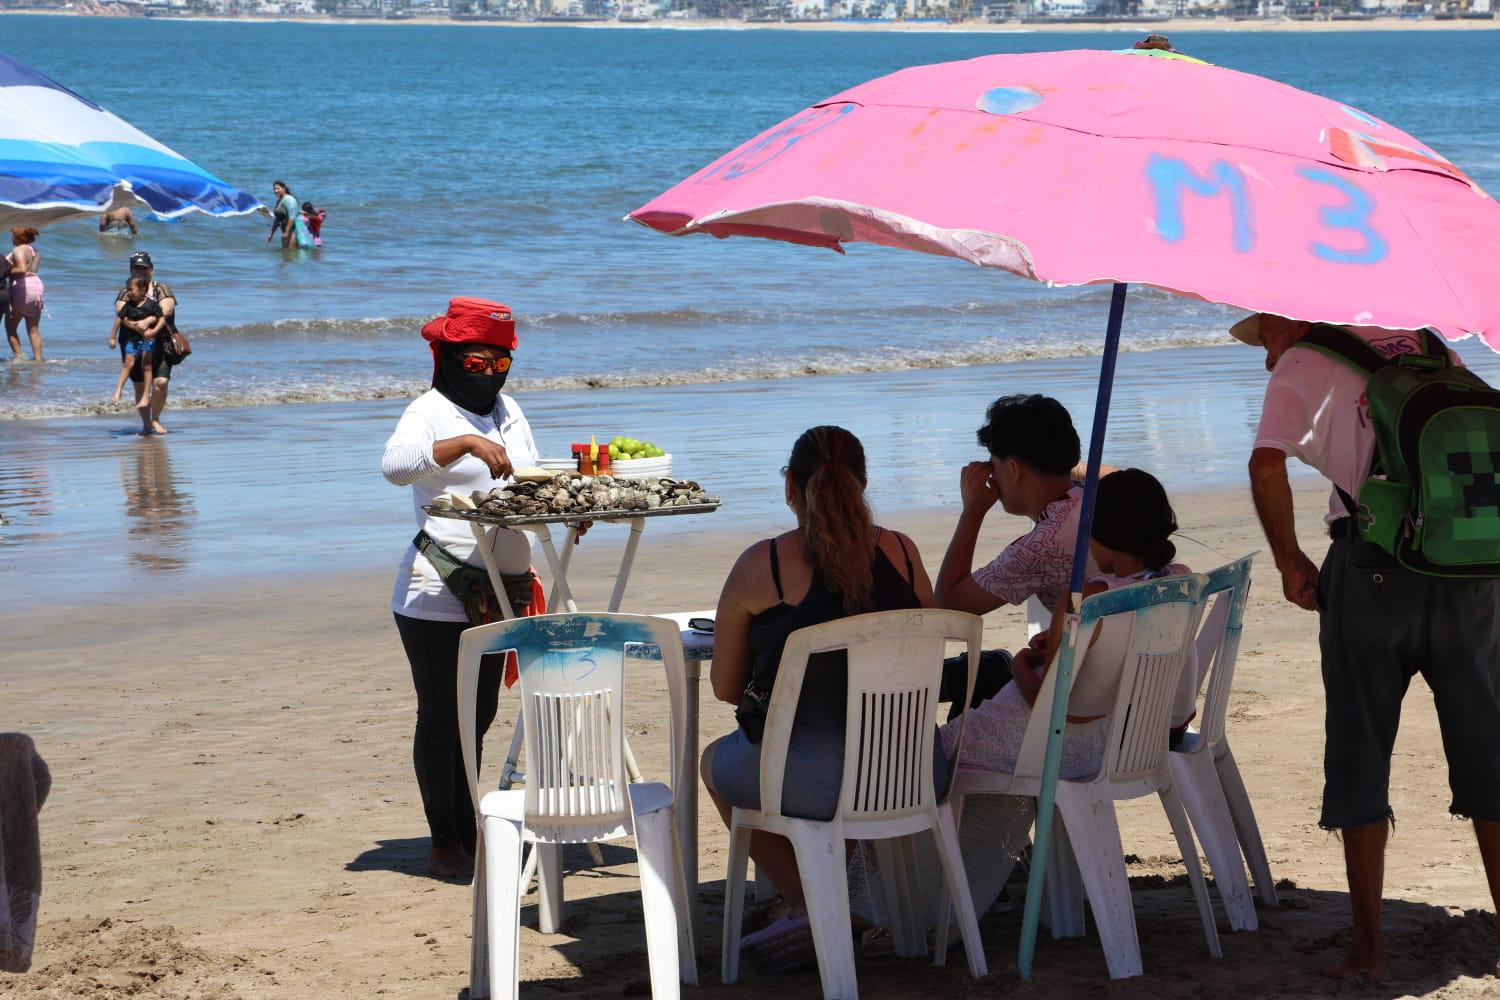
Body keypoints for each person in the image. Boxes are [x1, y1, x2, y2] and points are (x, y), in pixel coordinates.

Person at [1241, 311, 1500, 980]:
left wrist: (1288, 559)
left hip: (1374, 573)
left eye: (1262, 335)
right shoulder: (1430, 348)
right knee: (1487, 751)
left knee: (1360, 751)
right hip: (1468, 574)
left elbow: (1266, 467)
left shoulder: (1300, 362)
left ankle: (1369, 951)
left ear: (1282, 319)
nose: (1263, 351)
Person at [848, 468, 1193, 934]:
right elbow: (1100, 662)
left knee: (917, 759)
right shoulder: (1178, 581)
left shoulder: (1092, 598)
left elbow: (1045, 699)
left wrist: (1018, 667)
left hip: (1049, 740)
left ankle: (893, 902)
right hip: (1107, 737)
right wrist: (1049, 655)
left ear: (1097, 534)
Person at [699, 425, 939, 970]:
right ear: (864, 484)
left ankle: (816, 904)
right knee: (831, 773)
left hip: (812, 775)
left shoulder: (766, 564)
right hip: (912, 767)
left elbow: (726, 688)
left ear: (790, 486)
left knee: (715, 764)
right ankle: (824, 903)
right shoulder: (901, 551)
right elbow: (926, 647)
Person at [382, 297, 542, 880]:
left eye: (500, 362)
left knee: (479, 713)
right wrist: (465, 445)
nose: (491, 373)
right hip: (436, 585)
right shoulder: (429, 410)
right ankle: (444, 840)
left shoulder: (510, 410)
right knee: (442, 715)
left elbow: (527, 477)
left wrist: (561, 509)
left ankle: (471, 826)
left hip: (505, 587)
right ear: (451, 358)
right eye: (477, 362)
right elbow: (395, 466)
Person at [114, 251, 178, 435]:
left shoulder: (161, 289)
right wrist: (138, 328)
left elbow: (166, 309)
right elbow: (120, 312)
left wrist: (150, 322)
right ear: (131, 270)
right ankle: (146, 424)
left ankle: (156, 418)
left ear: (151, 269)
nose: (140, 271)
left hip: (162, 343)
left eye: (144, 268)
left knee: (161, 382)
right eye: (136, 268)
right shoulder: (128, 290)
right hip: (133, 343)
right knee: (140, 386)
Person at [109, 276, 167, 434]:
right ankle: (118, 390)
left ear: (142, 290)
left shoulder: (151, 304)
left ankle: (145, 397)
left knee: (146, 366)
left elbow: (161, 319)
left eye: (131, 290)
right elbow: (118, 320)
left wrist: (153, 331)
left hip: (148, 340)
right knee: (128, 364)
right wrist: (112, 337)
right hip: (132, 340)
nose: (128, 292)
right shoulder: (128, 305)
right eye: (127, 289)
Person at [5, 227, 44, 363]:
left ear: (18, 238)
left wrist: (6, 270)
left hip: (21, 287)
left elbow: (21, 269)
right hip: (36, 286)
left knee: (10, 329)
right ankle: (38, 361)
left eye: (13, 236)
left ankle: (20, 358)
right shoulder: (35, 251)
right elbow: (32, 269)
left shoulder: (19, 249)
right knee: (33, 331)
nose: (11, 238)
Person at [266, 180, 302, 249]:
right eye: (274, 189)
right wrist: (271, 233)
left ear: (284, 188)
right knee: (286, 256)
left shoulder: (289, 199)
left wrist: (287, 232)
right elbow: (277, 219)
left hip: (292, 232)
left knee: (290, 255)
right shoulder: (279, 201)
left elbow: (292, 216)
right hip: (286, 233)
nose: (275, 191)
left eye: (278, 188)